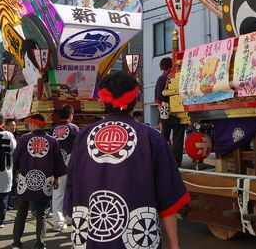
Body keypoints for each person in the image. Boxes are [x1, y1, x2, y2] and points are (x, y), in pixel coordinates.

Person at [65, 70, 190, 249]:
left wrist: (77, 235)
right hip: (139, 240)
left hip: (91, 239)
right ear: (135, 100)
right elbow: (168, 197)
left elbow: (72, 188)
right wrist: (174, 244)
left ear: (103, 101)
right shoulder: (151, 137)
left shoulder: (84, 136)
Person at [11, 114, 65, 249]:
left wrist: (15, 175)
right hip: (44, 181)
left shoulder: (24, 139)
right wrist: (56, 178)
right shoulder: (52, 141)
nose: (29, 125)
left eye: (29, 123)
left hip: (25, 179)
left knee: (21, 212)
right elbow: (58, 163)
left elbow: (15, 160)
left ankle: (17, 243)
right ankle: (40, 244)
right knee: (41, 214)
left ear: (33, 124)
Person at [48, 104, 79, 232]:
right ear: (71, 115)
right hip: (72, 166)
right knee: (72, 193)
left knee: (57, 195)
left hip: (57, 167)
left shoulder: (52, 129)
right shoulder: (74, 128)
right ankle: (70, 217)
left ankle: (58, 223)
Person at [155, 57, 185, 167]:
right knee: (178, 139)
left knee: (164, 138)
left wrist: (161, 117)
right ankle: (177, 163)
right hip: (180, 110)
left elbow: (158, 100)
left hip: (165, 109)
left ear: (162, 67)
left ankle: (162, 162)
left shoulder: (162, 78)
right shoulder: (180, 76)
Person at [4, 118, 17, 210]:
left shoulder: (13, 135)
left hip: (11, 163)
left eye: (14, 125)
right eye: (11, 125)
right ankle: (6, 203)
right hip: (6, 164)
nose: (13, 127)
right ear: (6, 126)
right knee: (7, 185)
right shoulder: (6, 136)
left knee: (10, 184)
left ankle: (7, 202)